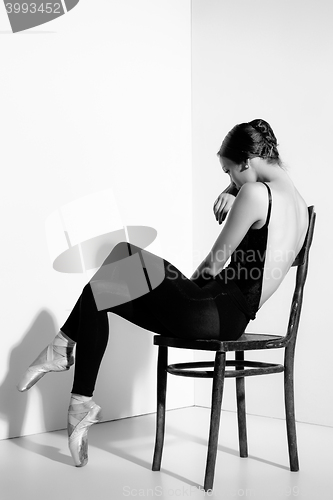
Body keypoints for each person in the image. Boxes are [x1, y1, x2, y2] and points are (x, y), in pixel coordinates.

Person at [17, 119, 309, 467]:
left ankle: (65, 350)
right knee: (100, 293)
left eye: (229, 172)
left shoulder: (255, 193)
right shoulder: (299, 207)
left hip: (211, 310)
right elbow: (258, 252)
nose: (228, 181)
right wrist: (234, 189)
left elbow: (214, 264)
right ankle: (77, 395)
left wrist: (179, 290)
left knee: (123, 253)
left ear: (246, 162)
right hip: (229, 318)